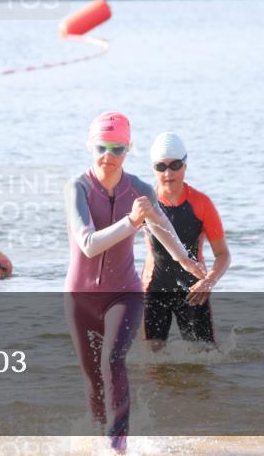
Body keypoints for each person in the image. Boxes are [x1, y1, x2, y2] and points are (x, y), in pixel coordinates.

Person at [65, 112, 204, 453]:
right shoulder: (77, 188)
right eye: (102, 147)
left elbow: (160, 227)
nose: (108, 156)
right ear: (90, 146)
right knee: (93, 379)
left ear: (128, 149)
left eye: (117, 148)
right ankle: (100, 442)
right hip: (80, 299)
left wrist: (185, 259)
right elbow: (88, 243)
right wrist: (131, 221)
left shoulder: (139, 190)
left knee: (112, 360)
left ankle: (118, 445)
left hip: (124, 295)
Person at [142, 133, 231, 351]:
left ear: (185, 166)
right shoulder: (144, 203)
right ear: (153, 169)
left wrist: (208, 281)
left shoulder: (201, 203)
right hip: (154, 289)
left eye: (175, 165)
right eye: (160, 167)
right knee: (151, 362)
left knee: (205, 358)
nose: (168, 173)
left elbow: (223, 254)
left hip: (193, 290)